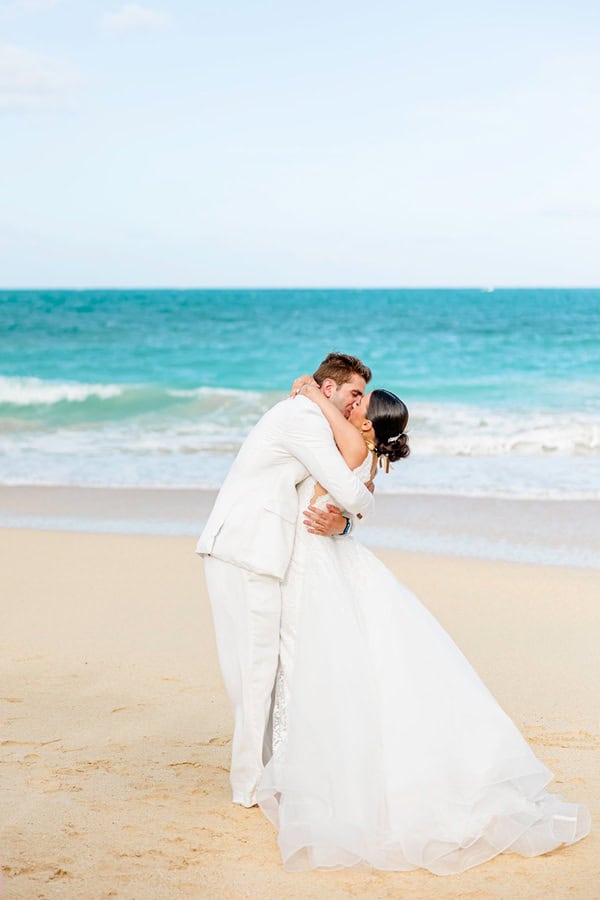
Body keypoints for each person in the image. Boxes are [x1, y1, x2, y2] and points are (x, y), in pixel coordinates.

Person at [258, 382, 591, 875]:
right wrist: (345, 523)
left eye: (358, 404)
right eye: (351, 398)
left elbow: (344, 493)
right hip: (339, 560)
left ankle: (310, 776)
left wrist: (312, 392)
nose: (350, 405)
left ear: (368, 424)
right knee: (355, 666)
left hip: (322, 564)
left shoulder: (352, 446)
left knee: (324, 664)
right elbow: (353, 506)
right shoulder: (367, 457)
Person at [196, 353, 375, 808]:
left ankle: (261, 775)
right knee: (255, 672)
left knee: (259, 670)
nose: (358, 406)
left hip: (250, 548)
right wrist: (358, 509)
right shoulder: (302, 418)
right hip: (247, 549)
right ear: (330, 389)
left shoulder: (307, 411)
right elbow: (352, 491)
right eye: (354, 394)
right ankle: (248, 787)